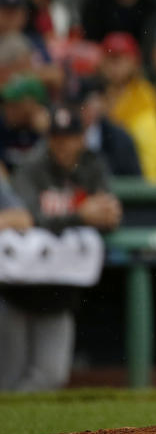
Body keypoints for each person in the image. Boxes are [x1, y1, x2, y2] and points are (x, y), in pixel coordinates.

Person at [4, 104, 121, 391]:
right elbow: (26, 218)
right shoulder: (31, 166)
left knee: (51, 376)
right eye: (57, 138)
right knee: (6, 378)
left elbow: (108, 213)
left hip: (59, 290)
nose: (63, 145)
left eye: (69, 137)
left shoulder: (92, 164)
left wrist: (105, 215)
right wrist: (80, 215)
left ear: (81, 138)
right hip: (15, 289)